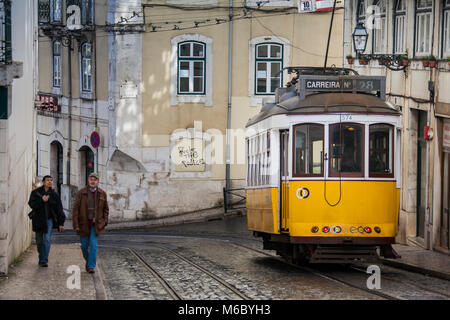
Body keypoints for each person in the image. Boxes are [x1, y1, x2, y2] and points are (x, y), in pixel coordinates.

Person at [72, 172, 109, 274]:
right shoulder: (81, 193)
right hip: (83, 224)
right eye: (91, 179)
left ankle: (91, 266)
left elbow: (106, 209)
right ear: (88, 180)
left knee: (93, 245)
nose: (93, 181)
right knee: (84, 246)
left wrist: (105, 221)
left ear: (98, 181)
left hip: (96, 225)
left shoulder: (102, 193)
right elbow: (75, 209)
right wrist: (75, 224)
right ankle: (89, 262)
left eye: (95, 180)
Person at [28, 175, 65, 267]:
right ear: (43, 182)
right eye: (48, 180)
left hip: (49, 220)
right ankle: (41, 257)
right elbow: (31, 204)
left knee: (47, 239)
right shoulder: (35, 193)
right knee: (39, 241)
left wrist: (61, 223)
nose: (50, 182)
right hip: (38, 219)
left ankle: (44, 260)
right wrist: (42, 200)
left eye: (51, 180)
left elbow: (59, 209)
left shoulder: (54, 195)